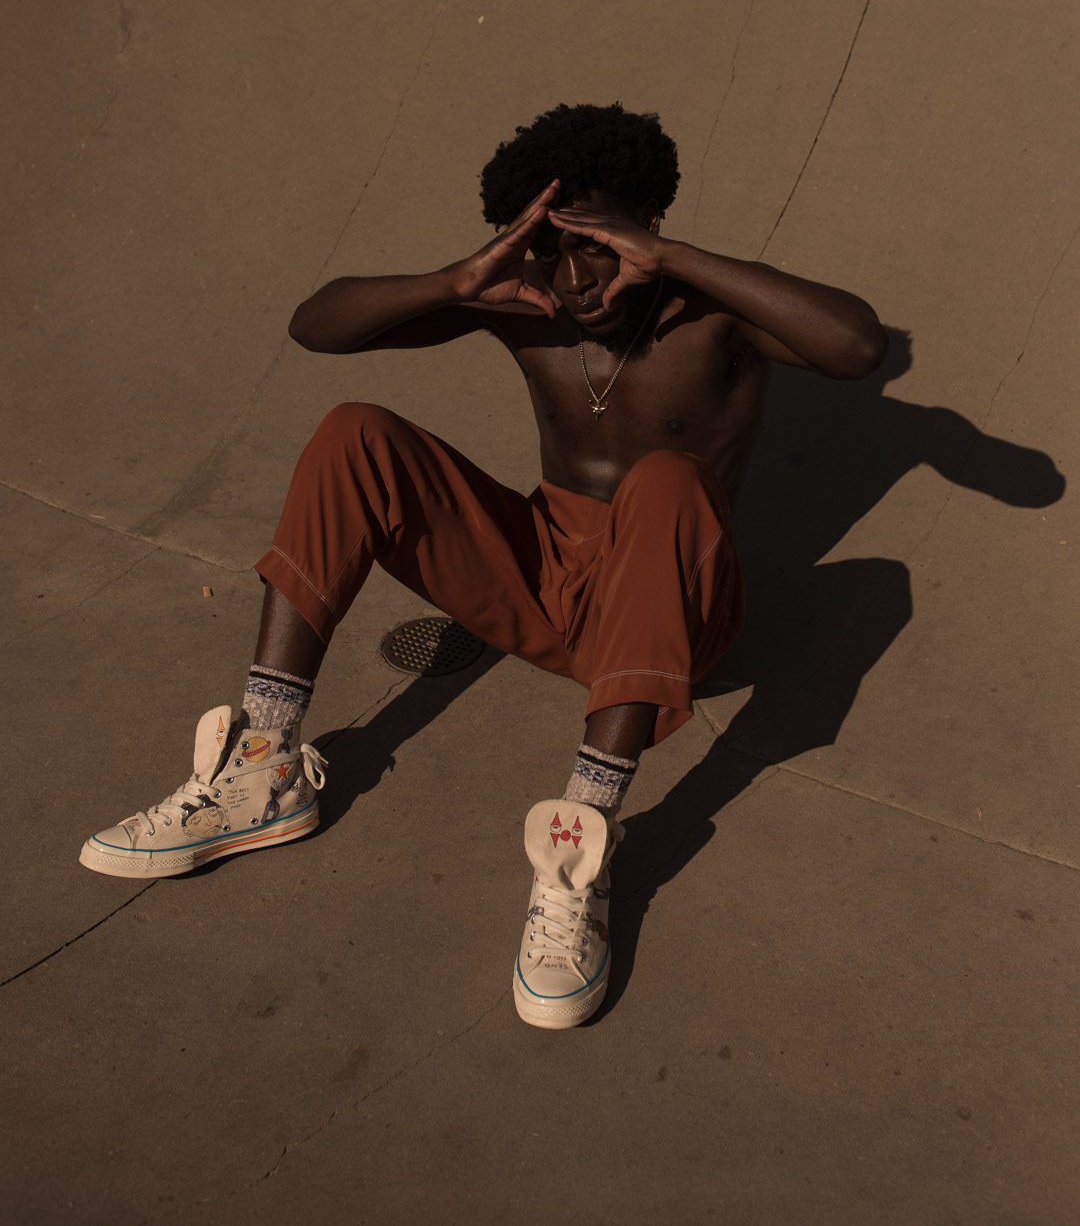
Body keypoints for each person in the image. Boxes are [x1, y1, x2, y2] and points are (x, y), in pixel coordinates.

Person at [80, 102, 888, 1029]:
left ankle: (580, 846)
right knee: (356, 433)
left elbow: (857, 345)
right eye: (554, 250)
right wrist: (457, 281)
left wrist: (674, 260)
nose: (580, 278)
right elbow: (316, 326)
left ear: (647, 222)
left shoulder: (714, 318)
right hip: (543, 585)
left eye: (602, 245)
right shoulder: (532, 308)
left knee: (665, 482)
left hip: (672, 616)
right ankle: (263, 763)